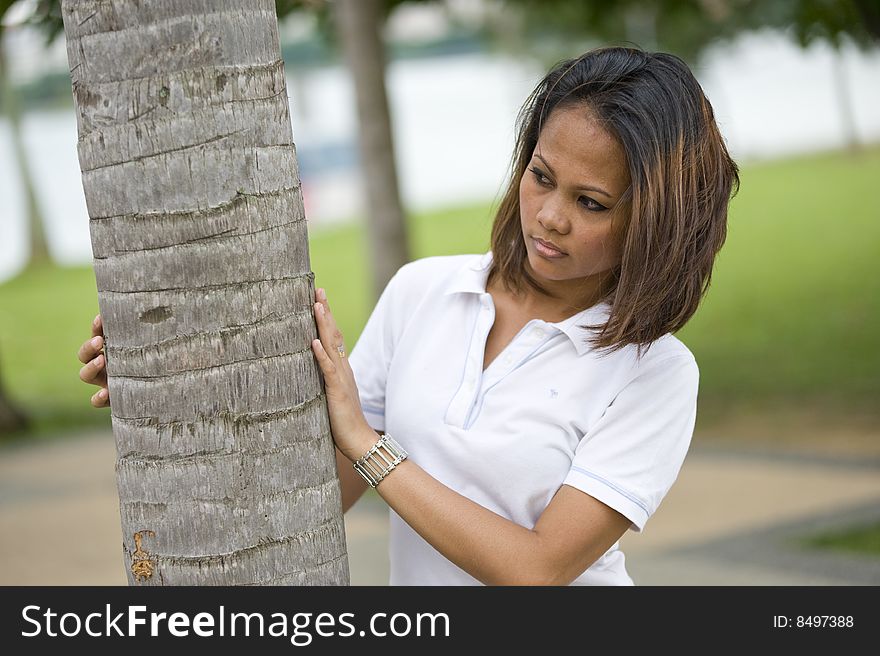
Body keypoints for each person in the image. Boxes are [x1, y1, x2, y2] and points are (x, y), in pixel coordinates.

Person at [78, 46, 738, 585]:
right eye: (541, 176)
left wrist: (368, 443)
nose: (550, 216)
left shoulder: (655, 373)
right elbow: (317, 495)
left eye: (591, 203)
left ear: (652, 220)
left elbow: (537, 571)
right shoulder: (424, 292)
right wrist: (168, 381)